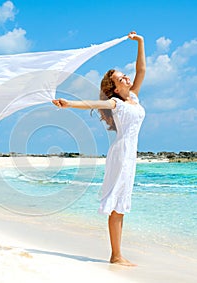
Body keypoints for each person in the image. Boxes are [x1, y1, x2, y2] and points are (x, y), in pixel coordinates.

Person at [52, 31, 146, 266]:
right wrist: (69, 104)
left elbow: (142, 70)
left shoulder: (133, 97)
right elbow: (93, 104)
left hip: (129, 155)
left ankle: (117, 254)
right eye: (120, 78)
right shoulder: (116, 103)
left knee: (122, 203)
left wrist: (141, 43)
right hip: (121, 154)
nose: (126, 77)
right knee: (117, 203)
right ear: (114, 88)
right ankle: (116, 256)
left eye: (125, 75)